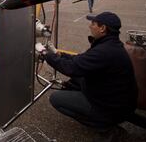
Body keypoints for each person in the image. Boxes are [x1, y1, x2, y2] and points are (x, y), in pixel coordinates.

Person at [38, 12, 138, 142]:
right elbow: (81, 60)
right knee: (73, 82)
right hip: (118, 99)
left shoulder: (104, 51)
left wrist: (45, 53)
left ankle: (106, 127)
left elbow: (71, 68)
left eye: (93, 24)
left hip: (113, 107)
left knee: (56, 99)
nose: (90, 26)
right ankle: (101, 117)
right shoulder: (110, 45)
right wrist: (59, 54)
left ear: (102, 28)